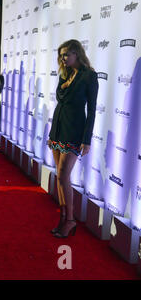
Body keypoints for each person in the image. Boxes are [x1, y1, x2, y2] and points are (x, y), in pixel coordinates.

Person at [48, 39, 98, 238]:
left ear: (77, 53)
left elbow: (92, 110)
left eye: (67, 54)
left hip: (74, 131)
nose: (63, 57)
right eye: (61, 55)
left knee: (63, 176)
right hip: (58, 127)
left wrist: (87, 139)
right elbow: (61, 98)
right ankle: (63, 218)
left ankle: (70, 220)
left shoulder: (89, 76)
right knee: (60, 179)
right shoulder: (65, 73)